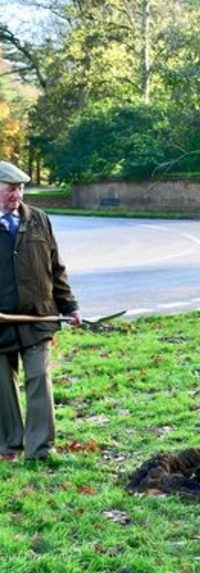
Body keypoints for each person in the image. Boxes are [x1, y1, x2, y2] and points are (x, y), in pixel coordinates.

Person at [0, 161, 82, 462]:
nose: (17, 195)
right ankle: (8, 445)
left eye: (20, 188)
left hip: (39, 317)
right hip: (1, 321)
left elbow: (56, 267)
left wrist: (69, 306)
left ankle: (40, 451)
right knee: (2, 388)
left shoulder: (39, 220)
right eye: (10, 189)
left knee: (39, 379)